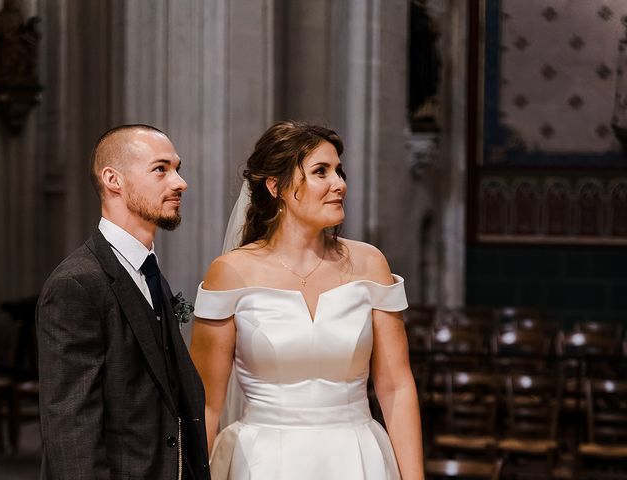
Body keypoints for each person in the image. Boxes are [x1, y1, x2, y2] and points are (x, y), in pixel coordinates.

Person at [191, 121, 424, 479]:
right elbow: (205, 401)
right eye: (321, 172)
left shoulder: (369, 264)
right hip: (262, 461)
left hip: (358, 456)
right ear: (276, 186)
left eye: (339, 171)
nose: (340, 184)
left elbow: (396, 387)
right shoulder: (231, 272)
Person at [36, 124, 211, 480]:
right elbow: (72, 428)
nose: (180, 183)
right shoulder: (77, 284)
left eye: (178, 169)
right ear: (113, 179)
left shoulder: (149, 271)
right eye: (161, 169)